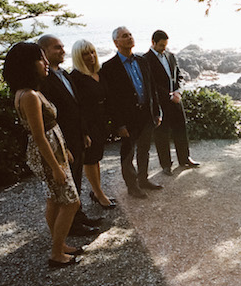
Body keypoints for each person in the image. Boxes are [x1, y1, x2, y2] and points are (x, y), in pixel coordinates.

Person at [3, 42, 84, 267]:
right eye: (41, 59)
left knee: (55, 199)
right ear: (28, 65)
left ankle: (60, 244)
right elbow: (39, 136)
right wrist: (56, 167)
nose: (46, 63)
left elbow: (47, 129)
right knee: (71, 202)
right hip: (47, 152)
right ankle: (56, 253)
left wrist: (64, 149)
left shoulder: (28, 92)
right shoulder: (29, 95)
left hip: (53, 149)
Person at [38, 35, 101, 237]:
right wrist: (62, 146)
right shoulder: (44, 81)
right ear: (44, 52)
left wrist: (84, 133)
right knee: (68, 185)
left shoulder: (64, 74)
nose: (63, 51)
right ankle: (71, 226)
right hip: (61, 140)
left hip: (77, 137)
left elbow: (77, 106)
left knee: (76, 180)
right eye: (57, 48)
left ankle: (79, 216)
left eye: (63, 47)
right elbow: (48, 118)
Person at [100, 26, 162, 199]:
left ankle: (143, 180)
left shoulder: (143, 61)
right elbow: (110, 100)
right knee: (127, 154)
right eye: (124, 36)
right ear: (116, 42)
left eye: (130, 35)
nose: (129, 38)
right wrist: (118, 124)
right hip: (127, 120)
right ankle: (132, 186)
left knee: (145, 150)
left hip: (146, 115)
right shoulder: (109, 67)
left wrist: (156, 112)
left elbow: (152, 88)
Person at [143, 30, 200, 175]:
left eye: (166, 45)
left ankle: (185, 158)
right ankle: (166, 165)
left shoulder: (170, 56)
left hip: (176, 99)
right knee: (162, 133)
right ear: (153, 42)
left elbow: (179, 76)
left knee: (181, 128)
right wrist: (168, 96)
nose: (164, 48)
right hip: (160, 102)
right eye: (161, 45)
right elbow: (151, 84)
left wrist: (178, 91)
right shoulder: (146, 60)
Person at [69, 39, 117, 209]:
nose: (90, 56)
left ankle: (96, 190)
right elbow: (77, 106)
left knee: (96, 159)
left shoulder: (99, 73)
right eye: (85, 54)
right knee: (90, 160)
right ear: (78, 56)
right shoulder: (75, 77)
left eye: (92, 52)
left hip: (101, 122)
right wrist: (84, 131)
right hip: (88, 124)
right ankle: (98, 193)